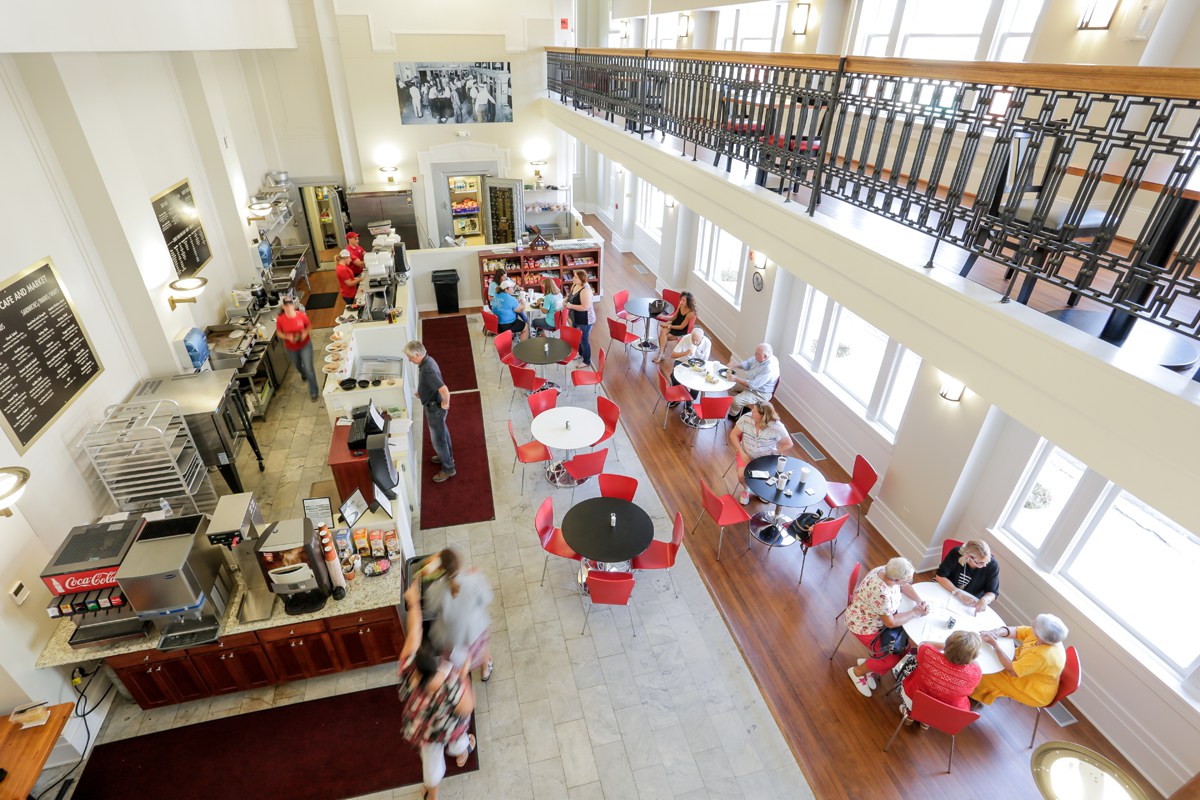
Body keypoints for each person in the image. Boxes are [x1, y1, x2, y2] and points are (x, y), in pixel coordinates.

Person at [398, 580, 476, 800]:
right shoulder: (450, 684)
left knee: (431, 765)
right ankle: (461, 752)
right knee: (459, 739)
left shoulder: (407, 671)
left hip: (424, 731)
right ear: (435, 669)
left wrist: (413, 603)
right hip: (449, 727)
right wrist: (463, 677)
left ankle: (432, 794)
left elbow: (414, 634)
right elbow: (466, 707)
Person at [845, 557, 929, 697]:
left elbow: (903, 585)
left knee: (904, 647)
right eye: (908, 580)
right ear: (895, 580)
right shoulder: (881, 593)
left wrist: (918, 601)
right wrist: (914, 612)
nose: (910, 583)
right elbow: (890, 623)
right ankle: (857, 672)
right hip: (863, 625)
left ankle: (871, 665)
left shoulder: (887, 569)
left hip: (874, 618)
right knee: (891, 658)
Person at [423, 548, 495, 682]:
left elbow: (429, 607)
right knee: (482, 649)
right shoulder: (473, 580)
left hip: (452, 638)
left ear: (441, 569)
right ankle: (485, 670)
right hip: (474, 631)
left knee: (454, 663)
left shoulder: (436, 589)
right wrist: (475, 576)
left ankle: (458, 680)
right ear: (459, 563)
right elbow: (487, 598)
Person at [971, 614, 1068, 708]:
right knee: (989, 659)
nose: (1032, 622)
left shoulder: (1043, 656)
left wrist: (995, 645)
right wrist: (997, 632)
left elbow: (1012, 670)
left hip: (1032, 690)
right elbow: (1018, 631)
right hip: (1023, 667)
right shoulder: (1046, 637)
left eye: (1035, 626)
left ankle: (967, 691)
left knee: (984, 671)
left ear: (1040, 637)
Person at [898, 630, 983, 720]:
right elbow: (977, 665)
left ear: (947, 644)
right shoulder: (975, 674)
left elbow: (923, 643)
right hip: (943, 714)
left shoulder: (927, 652)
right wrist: (966, 653)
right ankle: (926, 721)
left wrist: (951, 646)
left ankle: (909, 715)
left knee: (913, 662)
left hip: (914, 700)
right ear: (974, 656)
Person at [405, 340, 455, 483]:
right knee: (442, 433)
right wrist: (423, 392)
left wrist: (445, 403)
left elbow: (444, 390)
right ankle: (447, 457)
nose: (409, 359)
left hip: (435, 408)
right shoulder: (427, 361)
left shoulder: (427, 369)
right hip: (433, 403)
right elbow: (430, 383)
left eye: (410, 357)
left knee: (438, 440)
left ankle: (448, 468)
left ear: (417, 354)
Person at [728, 403, 793, 504]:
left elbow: (788, 443)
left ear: (764, 416)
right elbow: (733, 435)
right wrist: (742, 453)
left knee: (765, 476)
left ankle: (759, 491)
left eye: (755, 412)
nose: (751, 412)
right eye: (753, 410)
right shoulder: (746, 418)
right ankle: (746, 489)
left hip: (764, 459)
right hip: (745, 453)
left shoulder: (776, 427)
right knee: (742, 475)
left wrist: (776, 452)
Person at [934, 539, 1000, 613]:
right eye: (980, 563)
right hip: (947, 590)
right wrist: (960, 595)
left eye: (987, 562)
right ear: (968, 556)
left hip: (970, 603)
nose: (984, 565)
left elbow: (993, 592)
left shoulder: (992, 565)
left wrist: (986, 599)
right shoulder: (955, 553)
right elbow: (940, 576)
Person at [274, 296, 318, 401]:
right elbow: (279, 333)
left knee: (309, 368)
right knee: (298, 365)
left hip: (305, 344)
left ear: (293, 305)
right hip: (291, 347)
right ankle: (303, 373)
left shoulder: (301, 316)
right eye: (286, 304)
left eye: (290, 304)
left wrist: (304, 333)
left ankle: (314, 392)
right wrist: (287, 336)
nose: (289, 306)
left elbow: (309, 327)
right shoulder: (280, 319)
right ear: (283, 306)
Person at [726, 343, 780, 419]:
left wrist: (736, 379)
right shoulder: (760, 357)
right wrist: (735, 365)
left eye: (757, 354)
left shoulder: (769, 368)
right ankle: (743, 404)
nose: (755, 355)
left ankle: (734, 416)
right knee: (730, 383)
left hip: (760, 393)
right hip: (751, 384)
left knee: (735, 401)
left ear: (765, 356)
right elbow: (748, 364)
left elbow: (753, 385)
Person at [652, 291, 697, 363]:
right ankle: (661, 354)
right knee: (663, 332)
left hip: (681, 330)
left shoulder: (690, 313)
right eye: (681, 299)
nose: (681, 302)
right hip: (675, 324)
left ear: (688, 302)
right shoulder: (681, 305)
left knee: (663, 336)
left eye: (683, 300)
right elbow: (674, 318)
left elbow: (681, 327)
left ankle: (661, 355)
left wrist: (668, 326)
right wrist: (663, 317)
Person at [564, 269, 594, 368]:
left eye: (576, 277)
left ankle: (587, 361)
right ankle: (580, 354)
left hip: (585, 320)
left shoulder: (585, 290)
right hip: (575, 318)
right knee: (578, 337)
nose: (573, 278)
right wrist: (565, 300)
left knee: (584, 340)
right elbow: (570, 296)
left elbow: (585, 307)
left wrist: (570, 306)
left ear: (582, 279)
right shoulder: (575, 285)